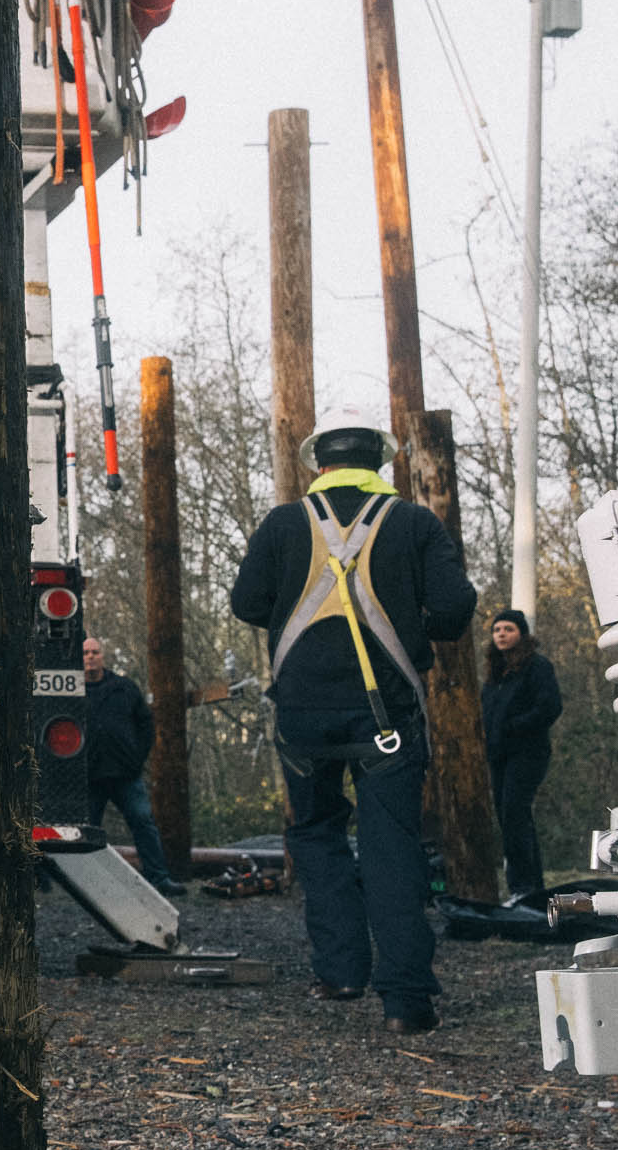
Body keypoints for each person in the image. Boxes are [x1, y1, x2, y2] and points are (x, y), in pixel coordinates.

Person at [230, 404, 478, 1035]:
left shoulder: (285, 524)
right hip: (385, 714)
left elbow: (247, 602)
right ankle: (406, 1002)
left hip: (304, 716)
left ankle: (341, 973)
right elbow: (453, 611)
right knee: (392, 844)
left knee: (316, 834)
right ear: (383, 462)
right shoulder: (414, 523)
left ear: (319, 464)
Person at [81, 637, 180, 895]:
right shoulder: (73, 693)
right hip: (90, 776)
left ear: (103, 655)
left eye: (95, 652)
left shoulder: (124, 688)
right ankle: (88, 885)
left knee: (143, 823)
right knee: (85, 832)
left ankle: (159, 878)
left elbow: (146, 725)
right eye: (86, 653)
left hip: (125, 774)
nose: (90, 657)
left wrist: (136, 758)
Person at [479, 608, 562, 905]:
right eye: (497, 629)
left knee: (514, 813)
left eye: (508, 629)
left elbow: (550, 706)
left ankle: (522, 888)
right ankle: (532, 889)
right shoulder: (494, 673)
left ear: (521, 634)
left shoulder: (537, 667)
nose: (501, 634)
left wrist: (515, 727)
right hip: (498, 755)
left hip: (528, 753)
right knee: (509, 817)